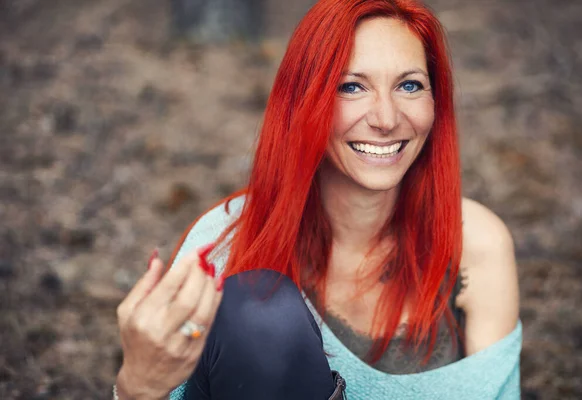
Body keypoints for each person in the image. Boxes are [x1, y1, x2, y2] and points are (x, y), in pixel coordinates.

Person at [114, 0, 521, 399]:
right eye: (351, 86)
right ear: (304, 102)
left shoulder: (474, 242)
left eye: (409, 85)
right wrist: (136, 389)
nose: (386, 118)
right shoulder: (225, 240)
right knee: (262, 311)